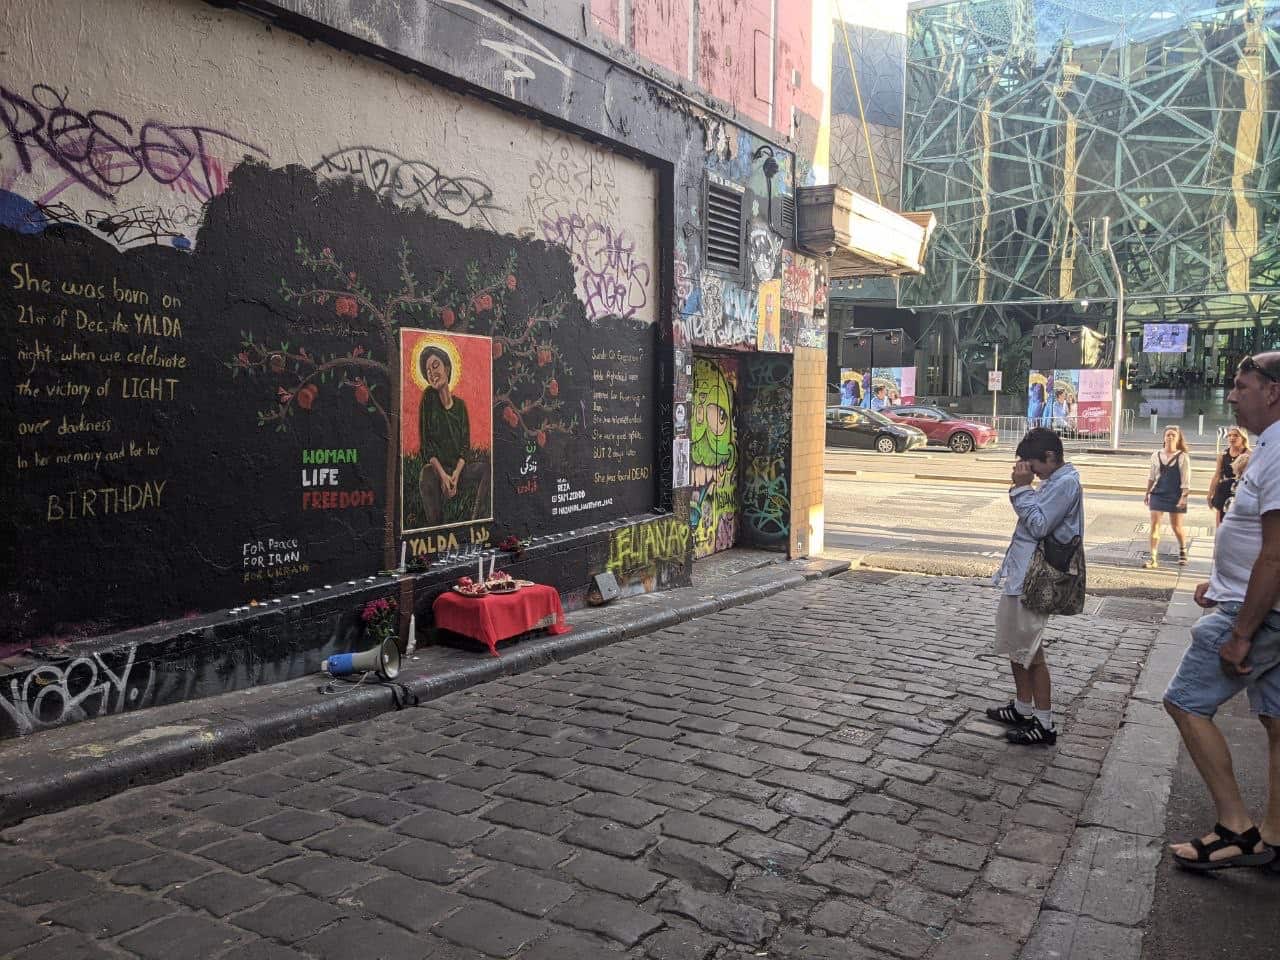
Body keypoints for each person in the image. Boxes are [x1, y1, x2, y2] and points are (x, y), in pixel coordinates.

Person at [1163, 352, 1280, 871]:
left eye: (1241, 386)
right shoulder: (1267, 448)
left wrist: (1242, 629)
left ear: (1272, 391)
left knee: (1185, 701)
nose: (1231, 396)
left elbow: (1277, 552)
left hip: (1258, 615)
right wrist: (1227, 580)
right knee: (1277, 720)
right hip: (1249, 599)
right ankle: (1276, 834)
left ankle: (1237, 828)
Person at [986, 427, 1084, 746]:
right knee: (1017, 645)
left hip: (1036, 578)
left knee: (1032, 651)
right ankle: (1023, 708)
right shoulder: (1052, 481)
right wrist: (1026, 486)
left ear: (1050, 457)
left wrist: (1021, 489)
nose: (1030, 470)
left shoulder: (1066, 483)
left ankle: (1044, 723)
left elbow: (1039, 525)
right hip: (1021, 574)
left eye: (1033, 463)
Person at [418, 345, 489, 527]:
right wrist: (443, 476)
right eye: (427, 371)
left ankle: (475, 521)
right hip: (437, 470)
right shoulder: (428, 399)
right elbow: (427, 447)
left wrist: (456, 475)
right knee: (426, 473)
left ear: (447, 368)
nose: (432, 373)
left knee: (486, 468)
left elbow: (465, 448)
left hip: (458, 470)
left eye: (435, 366)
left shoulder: (460, 407)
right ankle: (436, 529)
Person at [1144, 425, 1192, 567]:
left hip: (1175, 495)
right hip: (1158, 493)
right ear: (1164, 438)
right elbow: (1151, 476)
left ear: (1178, 439)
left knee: (1176, 526)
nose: (1170, 437)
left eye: (1173, 435)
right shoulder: (1156, 455)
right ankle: (1153, 558)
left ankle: (1183, 550)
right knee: (1155, 525)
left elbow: (1186, 480)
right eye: (1168, 435)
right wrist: (1147, 493)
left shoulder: (1183, 457)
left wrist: (1184, 497)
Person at [1207, 427, 1252, 527]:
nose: (1232, 438)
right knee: (1220, 524)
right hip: (1223, 491)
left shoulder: (1250, 454)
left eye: (1236, 435)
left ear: (1243, 438)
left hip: (1240, 493)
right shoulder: (1223, 455)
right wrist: (1209, 494)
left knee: (1237, 525)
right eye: (1230, 435)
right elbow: (1217, 475)